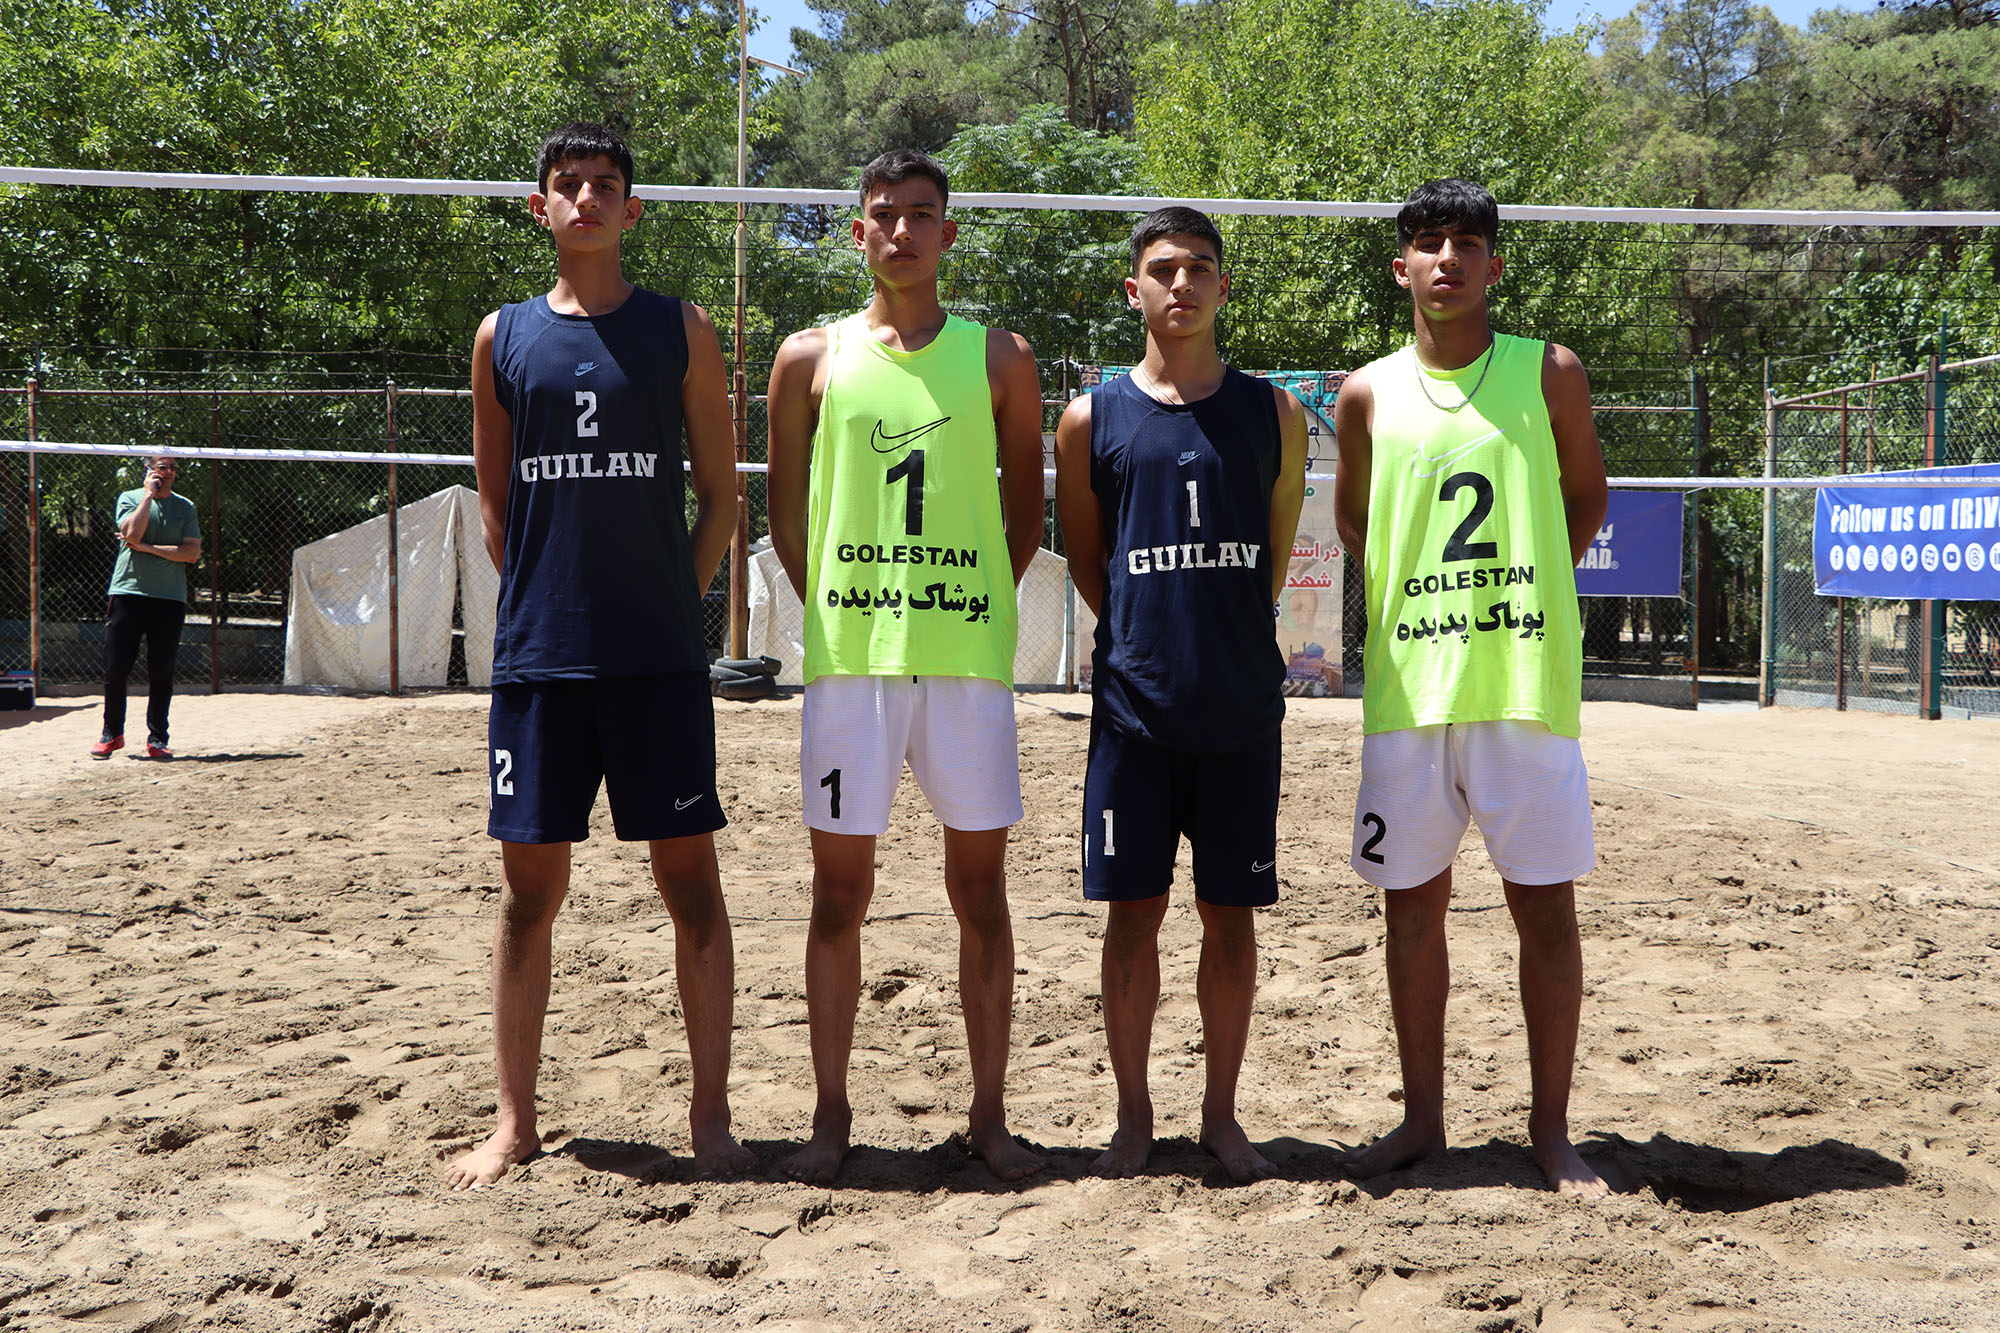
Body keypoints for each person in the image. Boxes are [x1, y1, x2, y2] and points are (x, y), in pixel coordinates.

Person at [446, 123, 752, 1189]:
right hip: (542, 664)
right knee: (527, 897)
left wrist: (673, 598)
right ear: (540, 206)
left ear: (632, 208)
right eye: (568, 184)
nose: (586, 198)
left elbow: (722, 498)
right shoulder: (503, 336)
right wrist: (553, 604)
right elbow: (497, 511)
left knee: (692, 887)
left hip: (655, 664)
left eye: (605, 184)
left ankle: (710, 1117)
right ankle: (514, 1122)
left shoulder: (680, 327)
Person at [765, 148, 1047, 1186]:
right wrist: (846, 607)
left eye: (921, 214)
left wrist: (970, 598)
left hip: (965, 660)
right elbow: (786, 519)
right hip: (854, 665)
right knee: (838, 895)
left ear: (948, 232)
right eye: (882, 214)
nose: (901, 230)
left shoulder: (999, 357)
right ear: (856, 232)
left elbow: (1025, 515)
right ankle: (830, 1115)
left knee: (981, 894)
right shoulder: (810, 357)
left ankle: (989, 1115)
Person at [1331, 178, 1610, 1196]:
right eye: (1427, 242)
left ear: (1493, 262)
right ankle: (1422, 1120)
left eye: (1465, 242)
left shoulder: (1549, 372)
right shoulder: (1365, 392)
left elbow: (1584, 499)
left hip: (1522, 685)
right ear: (1400, 265)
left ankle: (1550, 1131)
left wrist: (1521, 594)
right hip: (1412, 693)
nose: (1446, 257)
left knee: (1544, 910)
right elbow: (1356, 522)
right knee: (1411, 912)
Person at [1053, 207, 1308, 1182]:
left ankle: (1220, 1117)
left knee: (1229, 916)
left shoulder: (1273, 413)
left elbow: (1272, 555)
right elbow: (1092, 563)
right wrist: (1148, 635)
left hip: (1240, 710)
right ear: (1134, 291)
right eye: (1162, 269)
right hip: (1134, 716)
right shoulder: (1091, 419)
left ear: (1222, 287)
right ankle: (1131, 1118)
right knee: (1132, 917)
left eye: (1200, 267)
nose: (1182, 283)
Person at [93, 454, 202, 760]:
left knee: (162, 670)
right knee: (116, 668)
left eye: (173, 468)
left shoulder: (185, 507)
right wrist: (147, 497)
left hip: (169, 598)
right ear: (148, 470)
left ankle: (157, 738)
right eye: (162, 467)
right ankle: (112, 734)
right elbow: (131, 534)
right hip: (128, 593)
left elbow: (191, 553)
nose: (168, 473)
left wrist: (145, 548)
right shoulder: (130, 498)